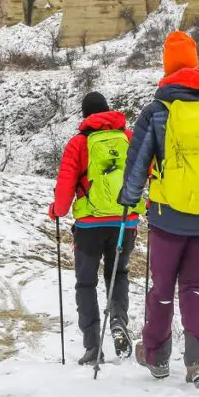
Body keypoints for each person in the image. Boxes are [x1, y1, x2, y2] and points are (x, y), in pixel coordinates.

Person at [118, 31, 199, 386]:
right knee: (193, 286)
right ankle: (198, 361)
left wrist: (128, 200)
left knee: (162, 287)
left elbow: (138, 163)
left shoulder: (157, 111)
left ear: (166, 67)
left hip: (168, 216)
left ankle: (157, 357)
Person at [49, 92, 145, 366]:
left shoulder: (78, 143)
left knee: (86, 283)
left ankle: (93, 347)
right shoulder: (128, 138)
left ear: (85, 115)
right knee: (119, 274)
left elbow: (66, 189)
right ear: (107, 110)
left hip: (90, 226)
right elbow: (145, 172)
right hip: (125, 221)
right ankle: (117, 321)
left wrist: (56, 210)